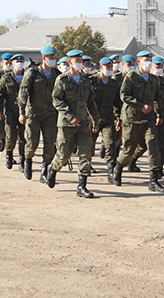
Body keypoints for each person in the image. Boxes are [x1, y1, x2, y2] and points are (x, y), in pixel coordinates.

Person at [44, 50, 100, 197]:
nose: (80, 63)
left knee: (86, 153)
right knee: (63, 154)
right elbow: (57, 100)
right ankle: (53, 169)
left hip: (83, 124)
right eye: (77, 60)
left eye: (81, 60)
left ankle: (82, 186)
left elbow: (91, 102)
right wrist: (69, 116)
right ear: (69, 62)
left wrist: (95, 120)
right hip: (66, 125)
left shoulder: (86, 80)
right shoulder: (62, 80)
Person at [111, 51, 164, 192]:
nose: (148, 63)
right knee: (129, 150)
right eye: (145, 60)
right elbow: (124, 95)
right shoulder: (131, 76)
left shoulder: (153, 79)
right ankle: (118, 167)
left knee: (153, 144)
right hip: (132, 118)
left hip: (149, 118)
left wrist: (160, 114)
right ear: (139, 62)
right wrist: (141, 106)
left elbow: (157, 99)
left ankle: (153, 180)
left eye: (150, 60)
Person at [18, 45, 61, 181]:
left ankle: (45, 170)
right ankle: (28, 162)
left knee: (50, 143)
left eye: (54, 58)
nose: (53, 60)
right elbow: (23, 93)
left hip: (50, 114)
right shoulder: (33, 73)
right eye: (51, 58)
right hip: (34, 113)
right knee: (32, 142)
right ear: (43, 58)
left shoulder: (57, 75)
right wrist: (22, 112)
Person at [130, 56, 164, 182]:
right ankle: (133, 159)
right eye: (157, 67)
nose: (159, 70)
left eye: (161, 67)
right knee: (143, 145)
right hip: (146, 116)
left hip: (161, 116)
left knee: (161, 143)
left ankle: (158, 170)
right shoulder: (143, 79)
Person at [90, 57, 122, 183]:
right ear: (100, 67)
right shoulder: (91, 81)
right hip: (93, 118)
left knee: (110, 144)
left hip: (108, 118)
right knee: (89, 145)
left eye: (110, 67)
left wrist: (119, 118)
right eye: (107, 67)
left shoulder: (114, 84)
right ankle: (87, 165)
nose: (109, 69)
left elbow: (117, 103)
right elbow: (86, 100)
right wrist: (89, 117)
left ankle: (111, 170)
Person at [0, 54, 27, 171]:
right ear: (12, 64)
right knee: (11, 135)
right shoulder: (6, 78)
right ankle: (9, 155)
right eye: (17, 61)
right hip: (10, 111)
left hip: (25, 112)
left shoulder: (28, 76)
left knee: (24, 137)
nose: (19, 63)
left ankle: (23, 159)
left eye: (21, 61)